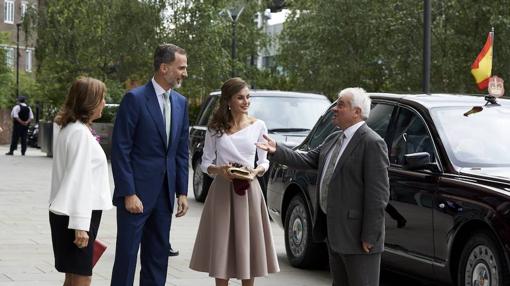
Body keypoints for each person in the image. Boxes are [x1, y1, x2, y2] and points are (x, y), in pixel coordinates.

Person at [257, 87, 390, 286]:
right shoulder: (334, 138)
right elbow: (307, 159)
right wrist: (277, 150)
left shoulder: (372, 143)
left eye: (341, 104)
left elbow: (378, 196)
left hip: (358, 239)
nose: (335, 109)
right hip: (334, 234)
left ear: (357, 112)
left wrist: (369, 236)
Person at [110, 43, 190, 286]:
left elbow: (180, 151)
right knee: (127, 258)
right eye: (181, 67)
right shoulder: (134, 99)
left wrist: (182, 191)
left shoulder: (181, 103)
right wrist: (128, 192)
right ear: (164, 68)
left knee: (157, 259)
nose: (184, 73)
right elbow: (120, 149)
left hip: (165, 197)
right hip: (136, 196)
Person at [189, 77, 280, 286]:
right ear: (228, 101)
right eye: (240, 97)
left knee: (249, 243)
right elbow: (205, 163)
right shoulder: (215, 128)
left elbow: (264, 162)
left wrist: (257, 170)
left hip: (249, 190)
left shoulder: (259, 126)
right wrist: (219, 170)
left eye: (248, 97)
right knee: (222, 244)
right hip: (222, 190)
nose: (246, 101)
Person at [49, 77, 112, 286]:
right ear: (89, 101)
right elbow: (79, 181)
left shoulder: (72, 129)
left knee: (72, 275)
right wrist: (80, 225)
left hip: (71, 212)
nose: (104, 102)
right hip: (77, 214)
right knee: (82, 277)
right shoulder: (79, 134)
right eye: (101, 98)